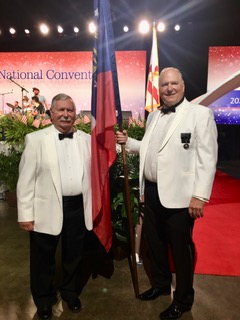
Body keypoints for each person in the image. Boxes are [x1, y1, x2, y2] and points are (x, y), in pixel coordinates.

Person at [116, 67, 218, 320]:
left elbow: (207, 159)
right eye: (164, 85)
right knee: (156, 244)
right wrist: (128, 142)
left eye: (174, 84)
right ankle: (161, 285)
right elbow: (152, 150)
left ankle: (183, 299)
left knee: (181, 251)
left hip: (181, 197)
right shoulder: (153, 117)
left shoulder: (200, 115)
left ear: (183, 86)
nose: (169, 88)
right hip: (151, 193)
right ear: (158, 89)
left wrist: (200, 196)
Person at [17, 93, 92, 320]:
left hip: (78, 206)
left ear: (76, 114)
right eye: (61, 110)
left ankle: (70, 292)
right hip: (45, 208)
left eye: (70, 110)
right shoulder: (36, 139)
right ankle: (44, 300)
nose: (66, 114)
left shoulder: (86, 139)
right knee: (43, 259)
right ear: (51, 114)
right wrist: (25, 215)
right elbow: (25, 180)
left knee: (74, 255)